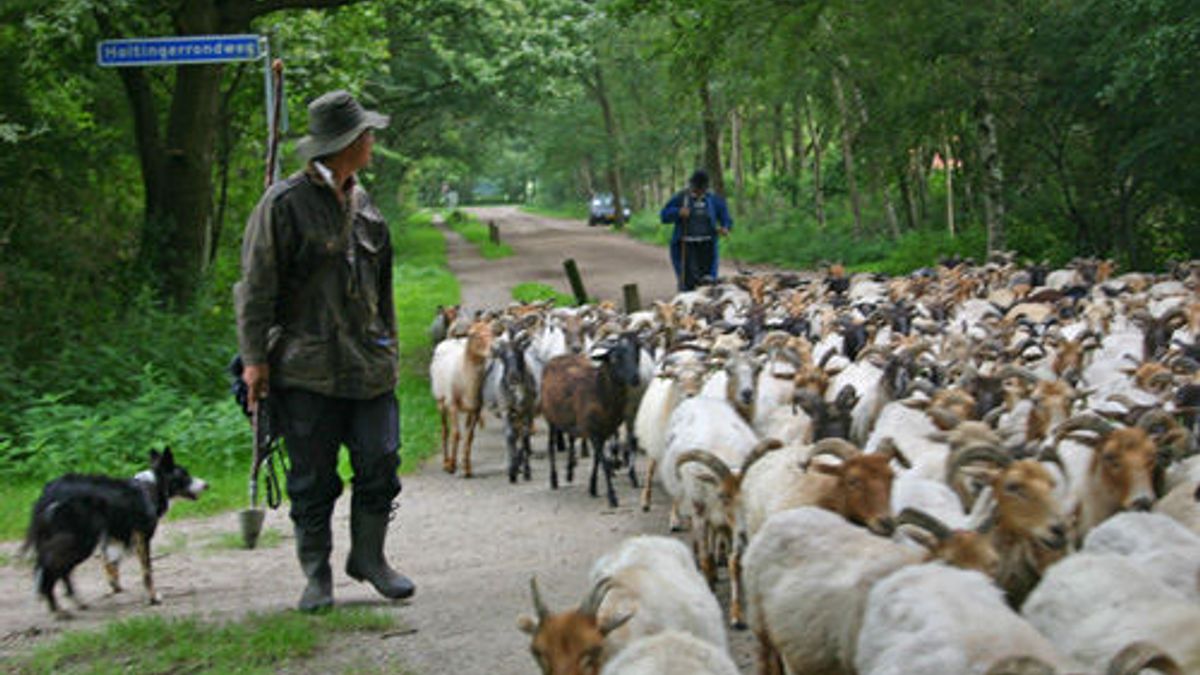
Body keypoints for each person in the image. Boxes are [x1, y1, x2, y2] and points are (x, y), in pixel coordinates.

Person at [234, 90, 414, 612]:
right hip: (305, 368)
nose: (373, 141)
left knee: (381, 460)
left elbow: (383, 289)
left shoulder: (367, 205)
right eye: (367, 134)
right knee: (312, 478)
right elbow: (255, 289)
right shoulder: (283, 205)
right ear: (350, 143)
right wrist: (254, 360)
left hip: (370, 367)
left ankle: (370, 559)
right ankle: (317, 575)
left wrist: (390, 347)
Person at [660, 169, 733, 291]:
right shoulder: (681, 198)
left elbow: (726, 218)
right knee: (688, 281)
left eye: (702, 189)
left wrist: (725, 227)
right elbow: (664, 215)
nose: (699, 192)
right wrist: (678, 212)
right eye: (696, 189)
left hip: (707, 245)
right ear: (692, 186)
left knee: (708, 281)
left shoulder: (713, 200)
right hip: (686, 245)